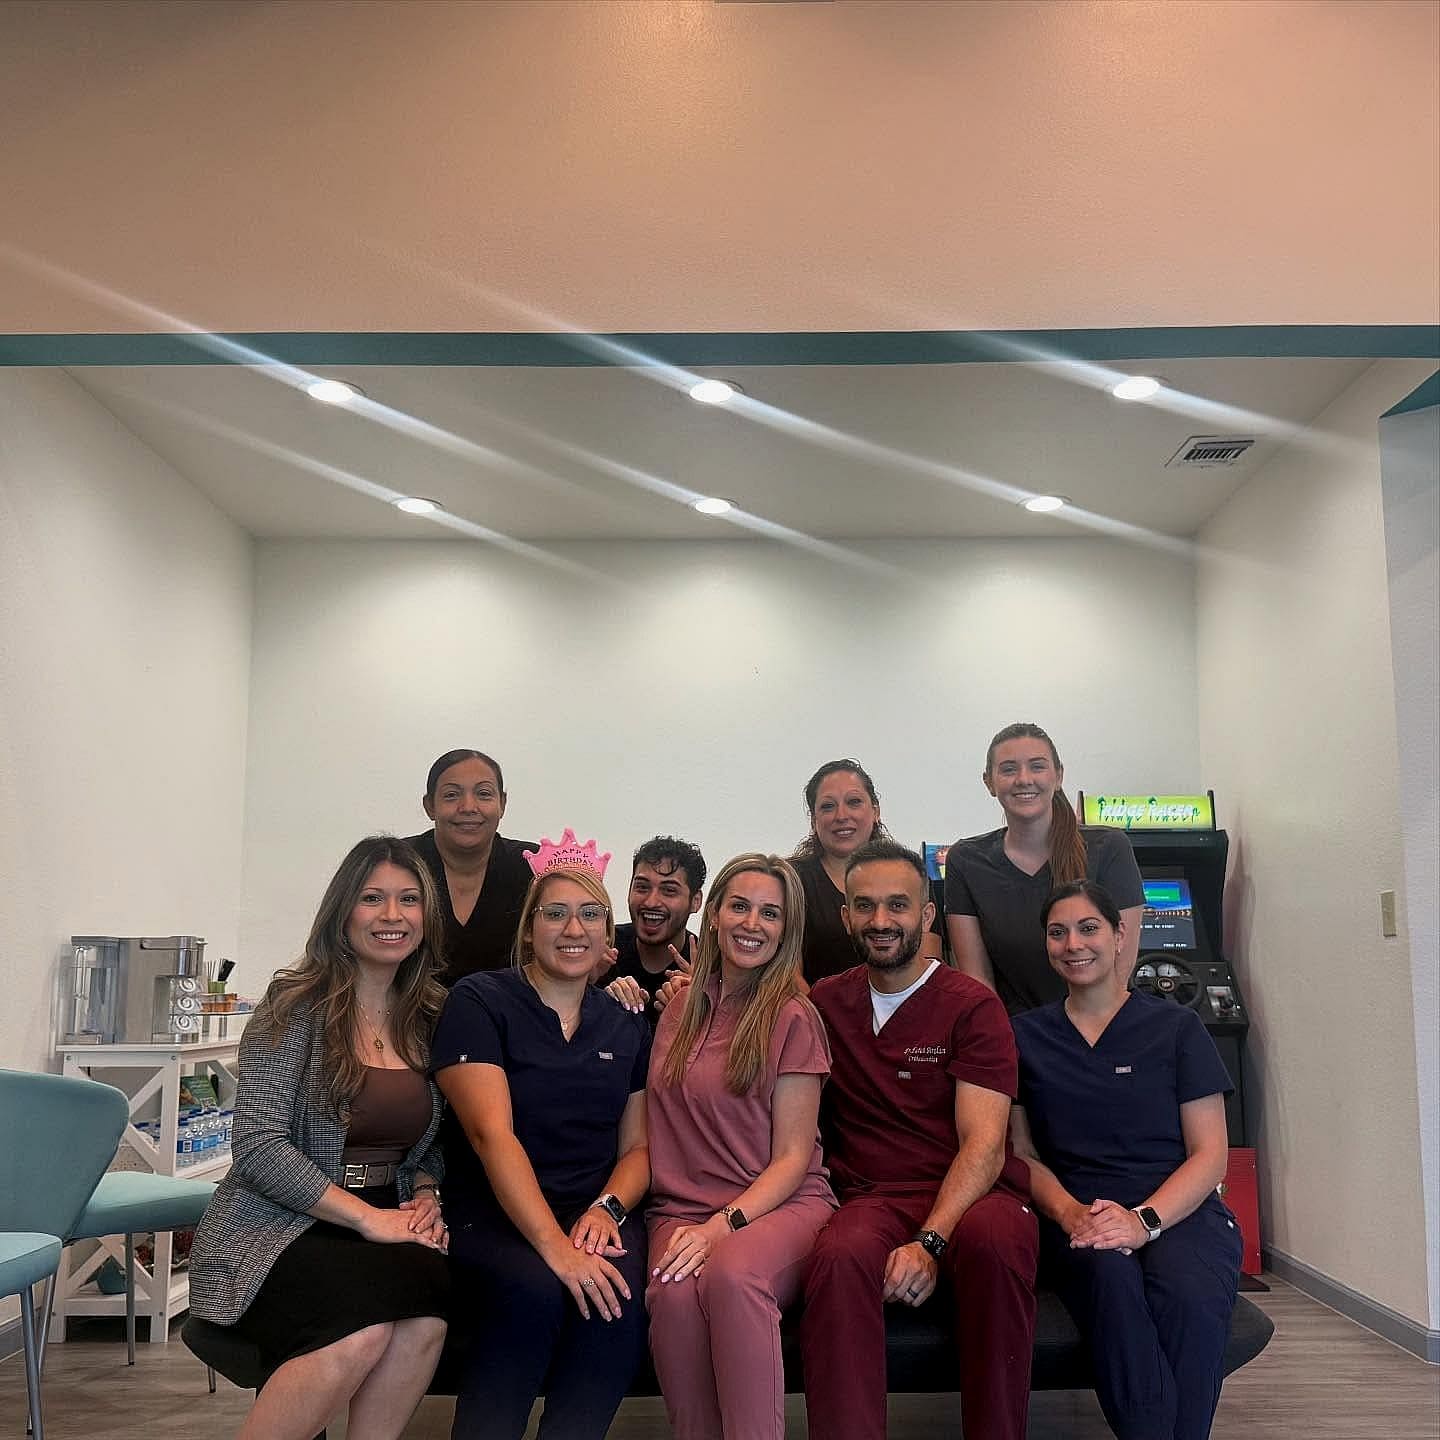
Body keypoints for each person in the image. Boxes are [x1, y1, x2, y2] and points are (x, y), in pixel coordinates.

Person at [189, 836, 451, 1440]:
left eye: (409, 899)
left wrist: (426, 1192)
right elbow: (259, 1145)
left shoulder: (431, 1012)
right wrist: (367, 1218)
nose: (392, 915)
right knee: (360, 1329)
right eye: (372, 898)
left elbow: (430, 1142)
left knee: (426, 1318)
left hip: (388, 1215)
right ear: (342, 911)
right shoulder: (294, 1004)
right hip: (280, 1223)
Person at [802, 839, 1038, 1440]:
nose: (881, 920)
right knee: (838, 1257)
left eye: (898, 905)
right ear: (845, 916)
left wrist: (930, 1242)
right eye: (865, 906)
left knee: (995, 1243)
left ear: (927, 915)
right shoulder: (825, 1003)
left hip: (975, 1193)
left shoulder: (973, 1007)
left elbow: (985, 1146)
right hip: (873, 1196)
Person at [432, 831, 651, 1440]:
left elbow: (638, 1148)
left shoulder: (626, 1022)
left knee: (616, 1296)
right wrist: (557, 1248)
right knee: (533, 1291)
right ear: (529, 929)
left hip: (593, 1210)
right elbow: (491, 1135)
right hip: (492, 1211)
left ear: (609, 935)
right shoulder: (479, 1001)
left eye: (591, 915)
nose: (574, 929)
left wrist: (608, 1210)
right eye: (555, 913)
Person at [1010, 880, 1242, 1440]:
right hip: (1079, 1215)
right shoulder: (1023, 1035)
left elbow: (1210, 1154)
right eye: (1058, 932)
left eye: (1089, 928)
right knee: (1110, 1282)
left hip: (1178, 1210)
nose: (1073, 944)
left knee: (1189, 1296)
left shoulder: (1177, 1028)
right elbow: (1019, 1153)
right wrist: (1071, 1214)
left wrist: (1144, 1221)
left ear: (1119, 936)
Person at [645, 853, 836, 1440]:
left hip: (777, 1205)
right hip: (681, 1209)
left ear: (786, 929)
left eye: (770, 914)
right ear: (714, 914)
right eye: (740, 907)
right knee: (673, 1295)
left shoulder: (793, 1016)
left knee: (731, 1275)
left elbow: (793, 1159)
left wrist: (721, 1227)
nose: (753, 924)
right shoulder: (677, 1010)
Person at [945, 723, 1144, 1014]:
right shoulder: (965, 861)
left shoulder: (1110, 848)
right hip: (1011, 1032)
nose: (1024, 779)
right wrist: (1001, 1035)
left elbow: (1120, 967)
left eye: (1037, 766)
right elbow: (977, 979)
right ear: (989, 782)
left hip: (1101, 1024)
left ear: (1058, 775)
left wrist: (1087, 1030)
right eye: (1009, 769)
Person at [790, 759, 942, 985]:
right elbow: (786, 974)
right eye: (828, 806)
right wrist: (822, 1008)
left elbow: (927, 971)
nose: (841, 815)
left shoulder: (910, 876)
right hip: (816, 1005)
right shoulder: (790, 881)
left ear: (875, 811)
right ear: (814, 820)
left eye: (853, 802)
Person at [406, 748, 537, 984]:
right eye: (451, 795)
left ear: (502, 803)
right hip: (407, 1006)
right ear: (429, 806)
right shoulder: (398, 863)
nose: (468, 807)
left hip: (509, 1006)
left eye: (484, 794)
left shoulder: (533, 865)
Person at [602, 835, 706, 1026]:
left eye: (669, 891)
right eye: (642, 887)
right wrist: (587, 985)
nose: (651, 902)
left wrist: (700, 1006)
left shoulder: (709, 967)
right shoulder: (602, 948)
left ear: (695, 901)